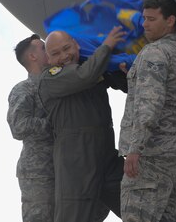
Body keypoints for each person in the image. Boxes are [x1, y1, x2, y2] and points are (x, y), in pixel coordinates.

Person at [119, 0, 176, 222]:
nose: (145, 24)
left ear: (170, 20)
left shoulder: (154, 53)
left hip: (151, 156)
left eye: (152, 19)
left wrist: (135, 149)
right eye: (144, 18)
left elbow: (149, 104)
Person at [38, 27, 127, 222]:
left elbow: (124, 85)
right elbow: (83, 77)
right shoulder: (51, 77)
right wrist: (107, 45)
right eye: (55, 53)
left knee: (139, 206)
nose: (64, 56)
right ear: (48, 59)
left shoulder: (93, 67)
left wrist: (123, 70)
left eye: (67, 48)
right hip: (76, 163)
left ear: (77, 45)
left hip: (106, 156)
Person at [8, 34, 55, 222]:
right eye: (44, 48)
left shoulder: (56, 85)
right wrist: (56, 124)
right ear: (32, 57)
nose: (49, 50)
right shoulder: (24, 89)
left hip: (59, 167)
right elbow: (18, 127)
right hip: (38, 173)